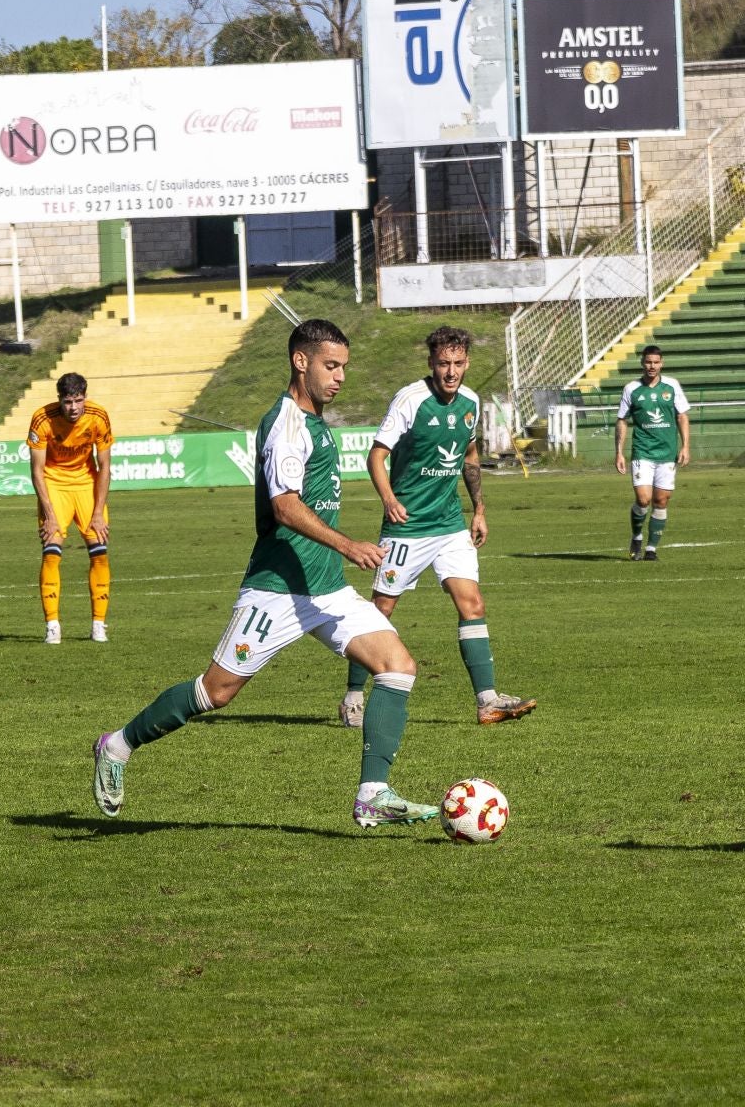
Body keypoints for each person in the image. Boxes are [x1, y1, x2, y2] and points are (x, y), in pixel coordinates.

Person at [89, 318, 441, 829]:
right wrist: (347, 544)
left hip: (325, 589)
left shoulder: (316, 422)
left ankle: (373, 794)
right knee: (216, 692)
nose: (340, 377)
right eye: (330, 365)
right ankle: (116, 746)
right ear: (301, 361)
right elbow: (284, 506)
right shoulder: (286, 424)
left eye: (343, 366)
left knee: (397, 666)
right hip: (276, 589)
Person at [338, 325, 536, 730]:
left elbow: (469, 455)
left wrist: (478, 509)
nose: (451, 371)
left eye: (458, 363)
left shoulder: (469, 401)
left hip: (449, 526)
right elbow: (377, 456)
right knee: (381, 611)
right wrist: (389, 499)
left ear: (467, 363)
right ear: (431, 363)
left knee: (472, 604)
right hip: (407, 528)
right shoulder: (411, 400)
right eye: (443, 363)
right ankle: (354, 696)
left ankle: (487, 701)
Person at [28, 373, 113, 645]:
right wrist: (50, 515)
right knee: (51, 553)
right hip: (53, 484)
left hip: (86, 484)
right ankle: (52, 625)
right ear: (59, 400)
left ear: (85, 398)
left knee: (99, 553)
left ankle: (98, 624)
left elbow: (105, 467)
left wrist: (98, 513)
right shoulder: (42, 419)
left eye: (78, 401)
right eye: (67, 402)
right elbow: (37, 471)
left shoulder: (99, 416)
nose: (73, 407)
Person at [616, 345, 691, 561]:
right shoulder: (632, 389)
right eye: (648, 362)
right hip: (642, 451)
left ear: (662, 363)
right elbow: (622, 420)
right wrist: (619, 452)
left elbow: (682, 416)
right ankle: (637, 536)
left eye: (656, 362)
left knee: (661, 501)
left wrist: (685, 446)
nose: (652, 366)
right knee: (643, 499)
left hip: (667, 453)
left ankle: (651, 549)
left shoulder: (672, 386)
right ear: (642, 363)